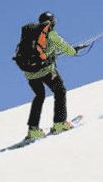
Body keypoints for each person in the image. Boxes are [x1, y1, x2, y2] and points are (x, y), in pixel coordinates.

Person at [22, 11, 84, 140]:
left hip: (29, 73)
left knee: (39, 96)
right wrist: (74, 51)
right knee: (60, 91)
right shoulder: (50, 34)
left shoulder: (30, 34)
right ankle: (59, 123)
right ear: (52, 22)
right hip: (46, 70)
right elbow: (67, 49)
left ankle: (33, 130)